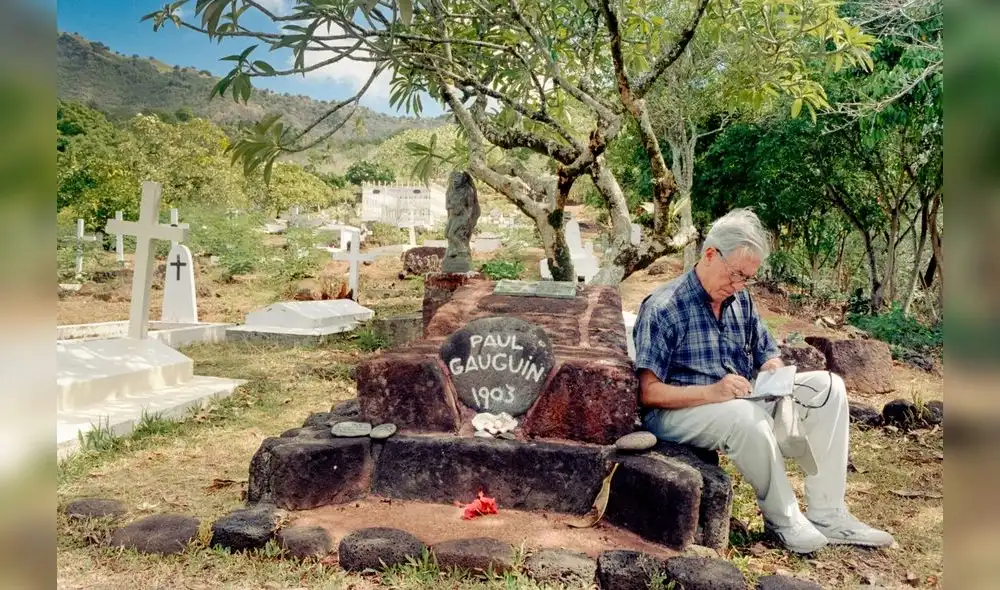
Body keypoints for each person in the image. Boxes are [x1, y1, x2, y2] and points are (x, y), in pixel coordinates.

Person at [632, 208, 894, 554]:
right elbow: (648, 394)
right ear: (710, 254)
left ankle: (829, 514)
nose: (739, 285)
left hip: (739, 400)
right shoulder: (664, 306)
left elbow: (765, 352)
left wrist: (772, 369)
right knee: (745, 417)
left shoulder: (740, 298)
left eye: (747, 279)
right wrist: (713, 392)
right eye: (735, 275)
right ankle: (783, 519)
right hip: (680, 411)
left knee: (829, 388)